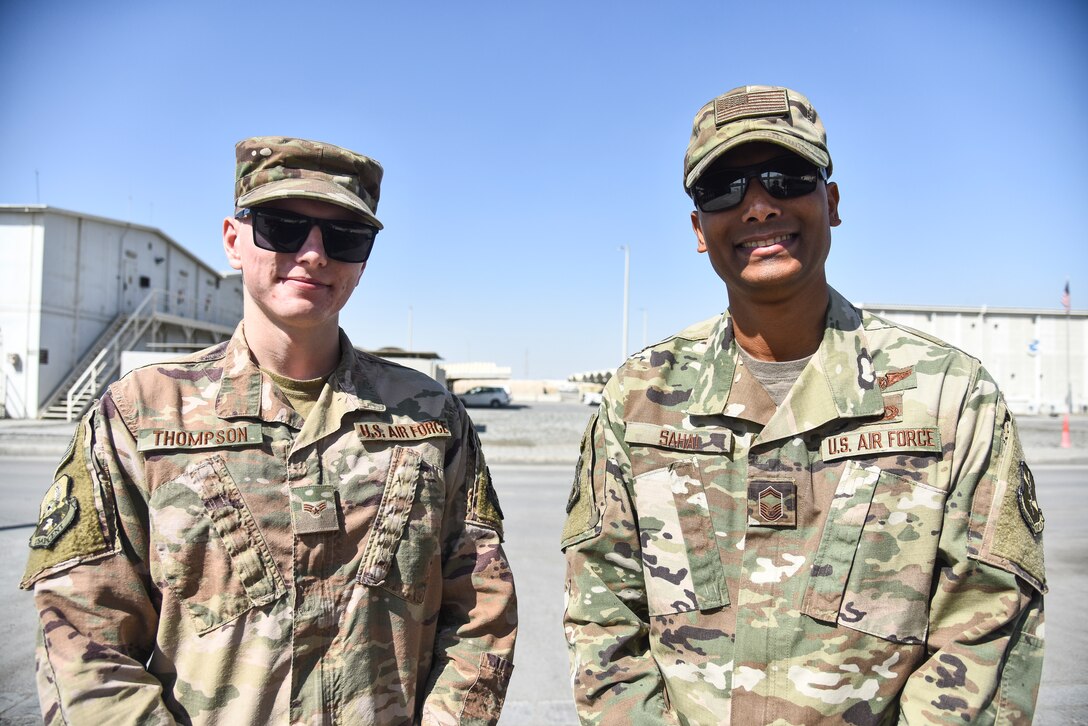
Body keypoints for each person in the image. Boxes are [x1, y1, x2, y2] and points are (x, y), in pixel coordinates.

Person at [561, 86, 1045, 724]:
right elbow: (602, 617)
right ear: (699, 229)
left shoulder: (949, 396)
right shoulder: (639, 400)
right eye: (723, 189)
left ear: (832, 202)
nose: (758, 206)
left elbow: (986, 627)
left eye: (786, 178)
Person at [22, 137, 517, 725]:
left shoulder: (431, 417)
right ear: (234, 240)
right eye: (283, 228)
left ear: (364, 258)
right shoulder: (141, 413)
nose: (313, 254)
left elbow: (480, 611)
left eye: (345, 237)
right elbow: (83, 636)